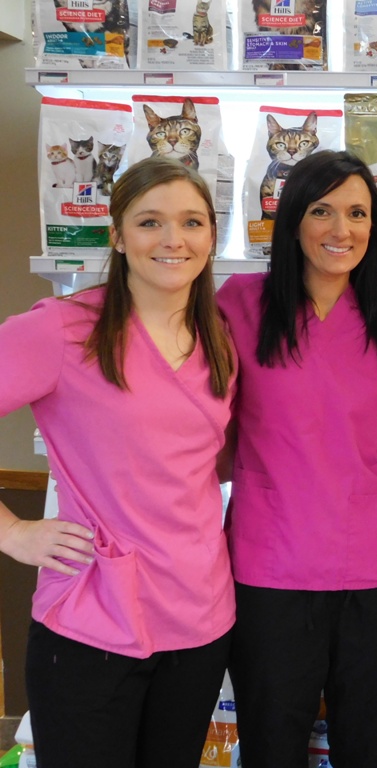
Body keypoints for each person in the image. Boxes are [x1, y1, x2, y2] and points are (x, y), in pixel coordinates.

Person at [0, 156, 236, 768]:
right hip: (92, 619)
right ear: (118, 235)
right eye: (150, 222)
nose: (173, 239)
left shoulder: (219, 338)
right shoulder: (60, 330)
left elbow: (202, 463)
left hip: (198, 617)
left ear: (212, 236)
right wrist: (13, 532)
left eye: (192, 222)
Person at [216, 150, 377, 768]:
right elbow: (201, 420)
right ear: (292, 220)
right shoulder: (240, 306)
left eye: (358, 213)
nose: (342, 229)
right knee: (272, 747)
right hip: (270, 571)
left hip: (375, 574)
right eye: (322, 211)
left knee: (373, 749)